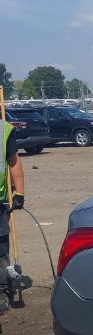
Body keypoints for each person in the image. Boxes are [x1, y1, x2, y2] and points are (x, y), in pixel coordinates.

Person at [0, 117, 25, 315]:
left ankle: (2, 290)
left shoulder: (5, 130)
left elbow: (14, 162)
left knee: (0, 248)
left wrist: (19, 193)